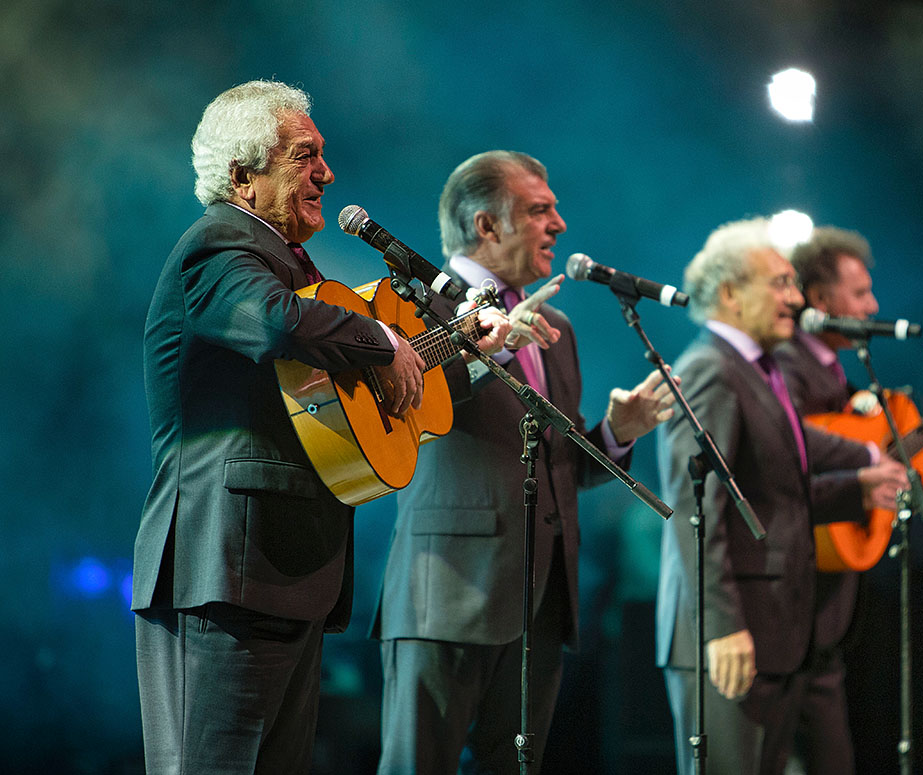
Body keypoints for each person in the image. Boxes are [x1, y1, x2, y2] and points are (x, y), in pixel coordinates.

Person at [131, 80, 508, 774]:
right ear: (242, 176)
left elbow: (364, 384)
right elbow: (278, 322)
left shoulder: (291, 261)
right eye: (305, 156)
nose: (327, 175)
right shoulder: (216, 246)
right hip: (223, 567)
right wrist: (381, 340)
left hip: (282, 569)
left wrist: (462, 351)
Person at [370, 150, 678, 775]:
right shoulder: (411, 305)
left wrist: (617, 433)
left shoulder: (553, 324)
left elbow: (560, 468)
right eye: (540, 210)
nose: (559, 224)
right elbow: (398, 410)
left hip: (542, 605)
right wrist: (493, 351)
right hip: (447, 593)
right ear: (486, 225)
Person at [655, 218, 908, 775]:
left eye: (794, 283)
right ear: (729, 293)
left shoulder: (756, 369)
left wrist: (863, 477)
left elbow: (779, 488)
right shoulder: (710, 370)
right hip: (732, 636)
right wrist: (721, 626)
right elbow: (696, 510)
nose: (795, 299)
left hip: (774, 635)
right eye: (780, 284)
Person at [775, 225, 923, 774]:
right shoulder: (781, 367)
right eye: (860, 294)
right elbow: (789, 467)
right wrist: (862, 479)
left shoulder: (832, 370)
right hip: (782, 606)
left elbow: (880, 452)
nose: (874, 306)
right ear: (820, 299)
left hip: (825, 619)